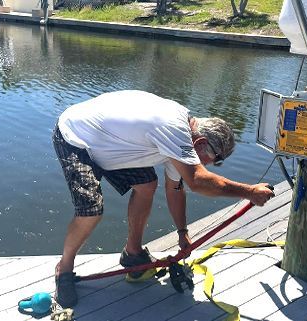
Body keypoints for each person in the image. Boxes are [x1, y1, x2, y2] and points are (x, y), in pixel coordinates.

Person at [52, 90, 274, 307]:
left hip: (110, 144)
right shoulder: (174, 130)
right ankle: (64, 269)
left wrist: (182, 232)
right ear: (199, 143)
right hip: (76, 137)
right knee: (91, 210)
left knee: (147, 185)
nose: (206, 165)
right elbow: (197, 181)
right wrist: (249, 192)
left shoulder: (180, 141)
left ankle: (133, 252)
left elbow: (175, 189)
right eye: (211, 160)